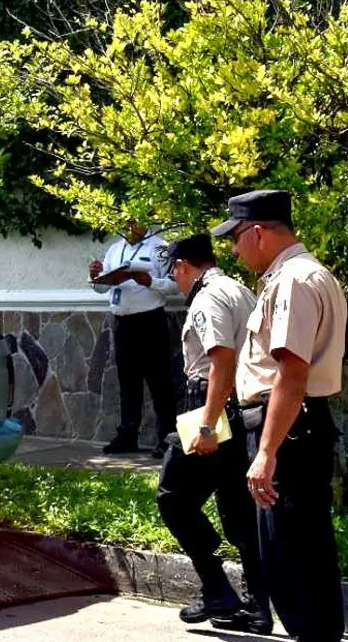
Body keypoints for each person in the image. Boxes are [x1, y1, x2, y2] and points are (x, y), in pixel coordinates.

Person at [212, 190, 347, 642]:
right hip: (297, 426)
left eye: (236, 238)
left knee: (290, 558)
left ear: (259, 232)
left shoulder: (293, 280)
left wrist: (266, 452)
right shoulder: (303, 275)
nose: (234, 250)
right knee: (306, 553)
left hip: (289, 431)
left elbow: (292, 371)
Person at [157, 234, 271, 633]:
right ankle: (258, 607)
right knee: (239, 513)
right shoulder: (237, 288)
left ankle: (217, 587)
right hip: (241, 410)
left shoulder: (207, 298)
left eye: (174, 272)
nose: (175, 280)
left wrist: (206, 425)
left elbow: (220, 358)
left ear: (183, 266)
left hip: (214, 409)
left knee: (172, 498)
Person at [89, 218, 179, 456]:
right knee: (128, 381)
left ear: (144, 222)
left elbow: (174, 285)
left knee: (159, 381)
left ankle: (167, 437)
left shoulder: (160, 247)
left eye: (133, 223)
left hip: (150, 321)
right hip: (122, 322)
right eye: (125, 223)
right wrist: (96, 276)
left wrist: (151, 282)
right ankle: (127, 435)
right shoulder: (114, 249)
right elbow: (101, 288)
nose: (128, 228)